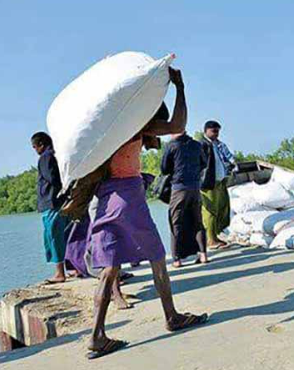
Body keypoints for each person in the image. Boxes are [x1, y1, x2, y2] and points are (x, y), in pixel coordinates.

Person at [85, 67, 207, 360]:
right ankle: (172, 316)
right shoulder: (135, 125)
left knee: (109, 268)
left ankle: (96, 336)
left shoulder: (106, 129)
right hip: (128, 197)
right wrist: (179, 86)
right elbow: (179, 122)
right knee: (157, 258)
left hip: (105, 198)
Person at [161, 131, 209, 267]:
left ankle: (177, 259)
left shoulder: (172, 145)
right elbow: (204, 163)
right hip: (195, 187)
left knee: (175, 222)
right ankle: (203, 255)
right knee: (197, 221)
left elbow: (164, 169)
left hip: (178, 188)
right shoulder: (196, 145)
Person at [31, 132, 70, 284]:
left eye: (35, 147)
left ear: (41, 144)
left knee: (53, 237)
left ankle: (60, 273)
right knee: (61, 235)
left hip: (52, 203)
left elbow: (52, 179)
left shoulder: (45, 157)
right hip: (57, 202)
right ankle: (70, 269)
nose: (35, 150)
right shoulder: (56, 155)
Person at [199, 120, 237, 249]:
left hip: (220, 181)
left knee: (223, 207)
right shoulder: (202, 145)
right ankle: (210, 239)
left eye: (218, 131)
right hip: (208, 183)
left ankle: (215, 234)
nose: (216, 134)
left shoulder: (218, 145)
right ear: (206, 131)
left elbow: (227, 159)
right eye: (214, 131)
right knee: (210, 211)